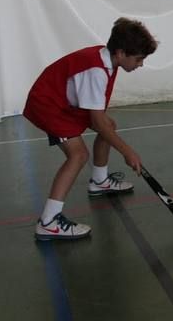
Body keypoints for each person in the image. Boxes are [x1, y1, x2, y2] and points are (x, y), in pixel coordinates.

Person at [24, 18, 158, 240]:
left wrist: (117, 141)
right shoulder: (96, 71)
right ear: (121, 53)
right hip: (49, 105)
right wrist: (127, 151)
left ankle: (99, 181)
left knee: (109, 125)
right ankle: (48, 221)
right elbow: (96, 122)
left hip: (64, 102)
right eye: (139, 59)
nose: (141, 64)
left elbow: (100, 121)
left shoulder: (107, 60)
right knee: (78, 155)